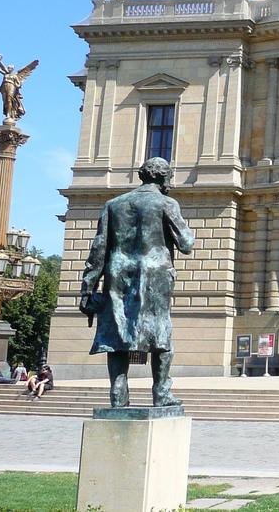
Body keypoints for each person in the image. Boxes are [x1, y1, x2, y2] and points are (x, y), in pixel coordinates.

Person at [79, 157, 195, 408]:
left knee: (116, 335)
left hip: (117, 273)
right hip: (154, 275)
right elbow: (186, 244)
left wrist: (87, 289)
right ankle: (161, 393)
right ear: (164, 177)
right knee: (160, 335)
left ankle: (118, 394)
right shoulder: (166, 203)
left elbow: (98, 249)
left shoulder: (114, 205)